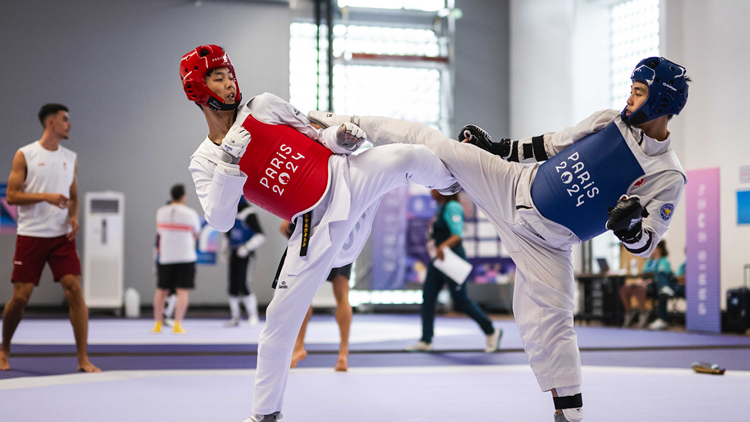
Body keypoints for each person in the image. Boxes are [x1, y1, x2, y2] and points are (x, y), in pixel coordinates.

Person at [311, 56, 690, 422]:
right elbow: (554, 144)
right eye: (632, 89)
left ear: (661, 101)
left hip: (550, 246)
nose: (630, 98)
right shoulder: (610, 120)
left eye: (638, 92)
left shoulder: (668, 175)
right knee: (433, 142)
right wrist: (498, 148)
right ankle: (339, 123)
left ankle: (569, 415)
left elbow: (647, 243)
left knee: (554, 325)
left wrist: (629, 230)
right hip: (511, 185)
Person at [180, 45, 457, 421]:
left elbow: (313, 134)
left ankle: (461, 177)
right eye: (219, 78)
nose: (230, 84)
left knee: (405, 156)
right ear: (198, 88)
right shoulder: (205, 160)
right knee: (279, 319)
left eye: (230, 75)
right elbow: (219, 219)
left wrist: (339, 139)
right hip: (314, 227)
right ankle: (265, 413)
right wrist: (229, 165)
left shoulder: (262, 106)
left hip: (346, 176)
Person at [1, 104, 99, 372]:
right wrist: (46, 196)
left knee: (74, 290)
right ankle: (4, 349)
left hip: (61, 237)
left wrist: (74, 217)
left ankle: (82, 359)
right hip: (31, 234)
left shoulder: (70, 157)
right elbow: (11, 196)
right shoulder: (26, 154)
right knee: (21, 297)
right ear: (50, 124)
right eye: (65, 120)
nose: (69, 124)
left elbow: (74, 196)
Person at [405, 190, 501, 353]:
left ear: (443, 188)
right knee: (428, 297)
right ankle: (426, 340)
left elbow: (457, 235)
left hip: (452, 260)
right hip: (438, 261)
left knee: (460, 300)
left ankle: (491, 331)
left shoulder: (453, 207)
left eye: (434, 187)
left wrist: (443, 246)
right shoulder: (440, 207)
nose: (431, 190)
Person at [280, 220, 353, 372]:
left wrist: (289, 218)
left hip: (316, 227)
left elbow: (285, 227)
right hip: (341, 227)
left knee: (304, 290)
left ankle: (299, 346)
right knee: (342, 292)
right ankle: (343, 353)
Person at [152, 184, 201, 334]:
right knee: (182, 292)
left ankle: (157, 325)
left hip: (166, 257)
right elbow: (196, 234)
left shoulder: (160, 212)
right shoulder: (190, 213)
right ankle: (177, 324)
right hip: (185, 257)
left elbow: (159, 232)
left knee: (161, 291)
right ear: (183, 196)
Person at [224, 198, 265, 327]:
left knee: (244, 284)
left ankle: (253, 315)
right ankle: (235, 317)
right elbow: (227, 235)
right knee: (233, 285)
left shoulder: (249, 214)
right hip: (234, 253)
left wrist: (247, 247)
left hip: (246, 255)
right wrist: (224, 250)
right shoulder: (231, 214)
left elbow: (260, 235)